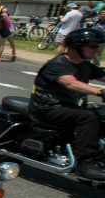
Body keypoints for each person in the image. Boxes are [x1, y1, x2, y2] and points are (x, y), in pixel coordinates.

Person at [28, 28, 105, 181]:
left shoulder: (84, 65)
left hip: (69, 108)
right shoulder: (57, 65)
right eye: (93, 46)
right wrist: (99, 92)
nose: (97, 50)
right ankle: (86, 164)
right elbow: (71, 83)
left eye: (98, 47)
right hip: (48, 109)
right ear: (77, 46)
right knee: (88, 117)